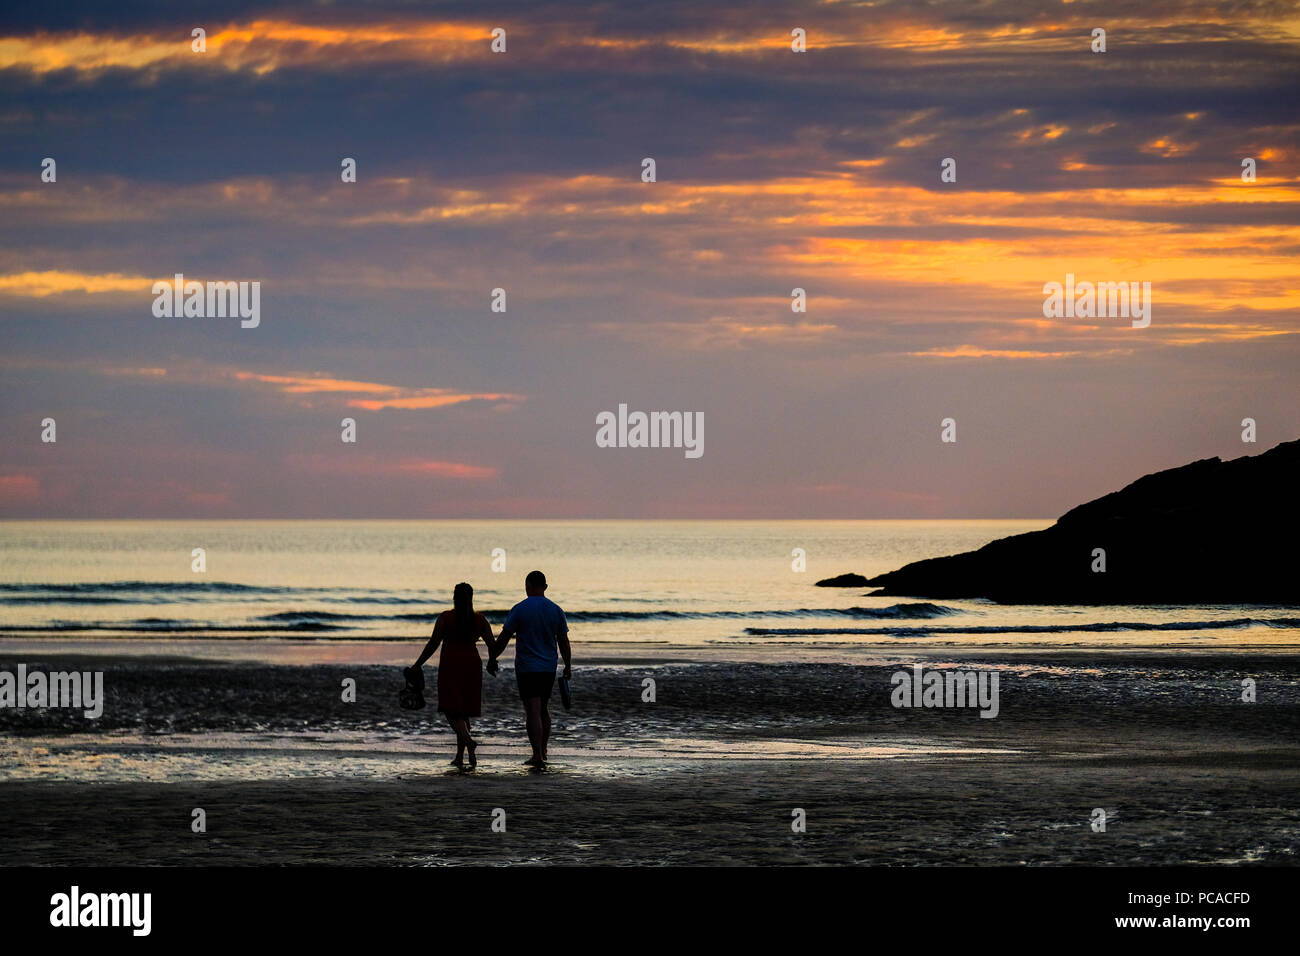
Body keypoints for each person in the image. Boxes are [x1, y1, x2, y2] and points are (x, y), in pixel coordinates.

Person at [488, 570, 571, 768]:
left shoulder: (519, 609)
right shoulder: (556, 609)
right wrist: (567, 665)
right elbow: (563, 640)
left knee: (532, 710)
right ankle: (543, 749)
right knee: (543, 709)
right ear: (545, 587)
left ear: (528, 585)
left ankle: (536, 755)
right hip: (548, 666)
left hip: (527, 667)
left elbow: (504, 638)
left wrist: (492, 657)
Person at [410, 582, 494, 768]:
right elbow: (492, 645)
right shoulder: (480, 620)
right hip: (472, 664)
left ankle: (468, 741)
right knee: (463, 712)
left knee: (450, 708)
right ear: (471, 598)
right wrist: (492, 661)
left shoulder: (446, 618)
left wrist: (418, 664)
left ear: (454, 597)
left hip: (451, 664)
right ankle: (460, 757)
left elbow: (433, 643)